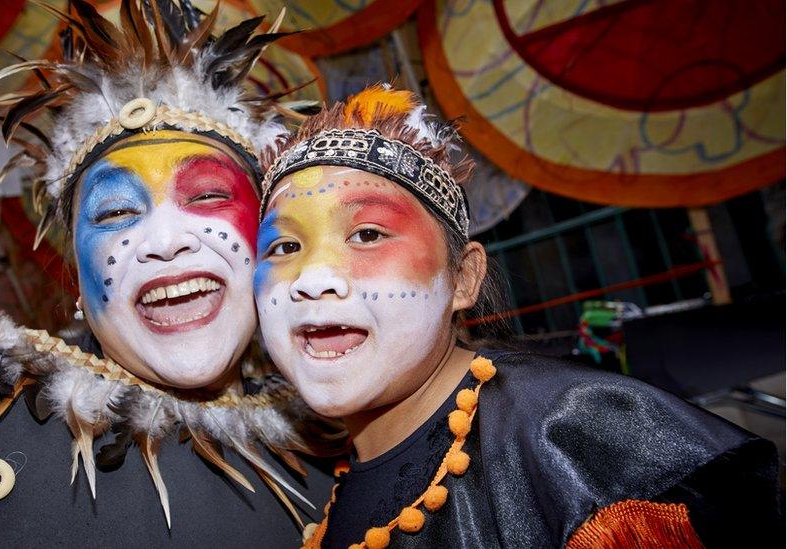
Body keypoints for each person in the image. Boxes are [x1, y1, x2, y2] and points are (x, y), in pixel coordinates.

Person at [0, 2, 342, 547]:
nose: (166, 241)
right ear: (78, 283)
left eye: (207, 196)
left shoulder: (344, 442)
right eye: (114, 213)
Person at [254, 85, 782, 548]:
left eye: (368, 234)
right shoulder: (321, 483)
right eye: (283, 246)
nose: (311, 277)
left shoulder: (582, 445)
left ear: (463, 278)